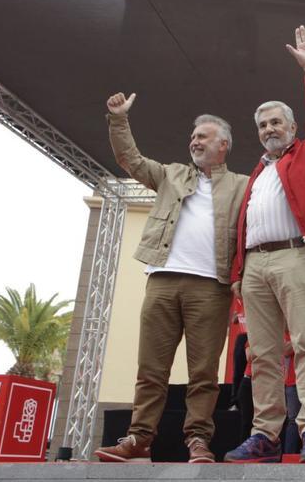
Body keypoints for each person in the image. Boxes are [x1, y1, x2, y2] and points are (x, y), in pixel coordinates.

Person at [94, 93, 248, 463]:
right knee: (151, 368)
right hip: (162, 280)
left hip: (212, 287)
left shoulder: (243, 185)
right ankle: (138, 437)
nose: (195, 141)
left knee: (203, 374)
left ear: (223, 145)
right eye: (193, 136)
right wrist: (118, 119)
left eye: (204, 137)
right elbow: (130, 160)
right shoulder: (171, 174)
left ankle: (198, 439)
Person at [225, 25, 305, 464]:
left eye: (277, 122)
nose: (270, 128)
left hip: (298, 254)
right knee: (263, 353)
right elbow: (243, 225)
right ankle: (266, 434)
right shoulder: (256, 173)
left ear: (291, 127)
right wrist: (238, 274)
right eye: (263, 124)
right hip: (256, 266)